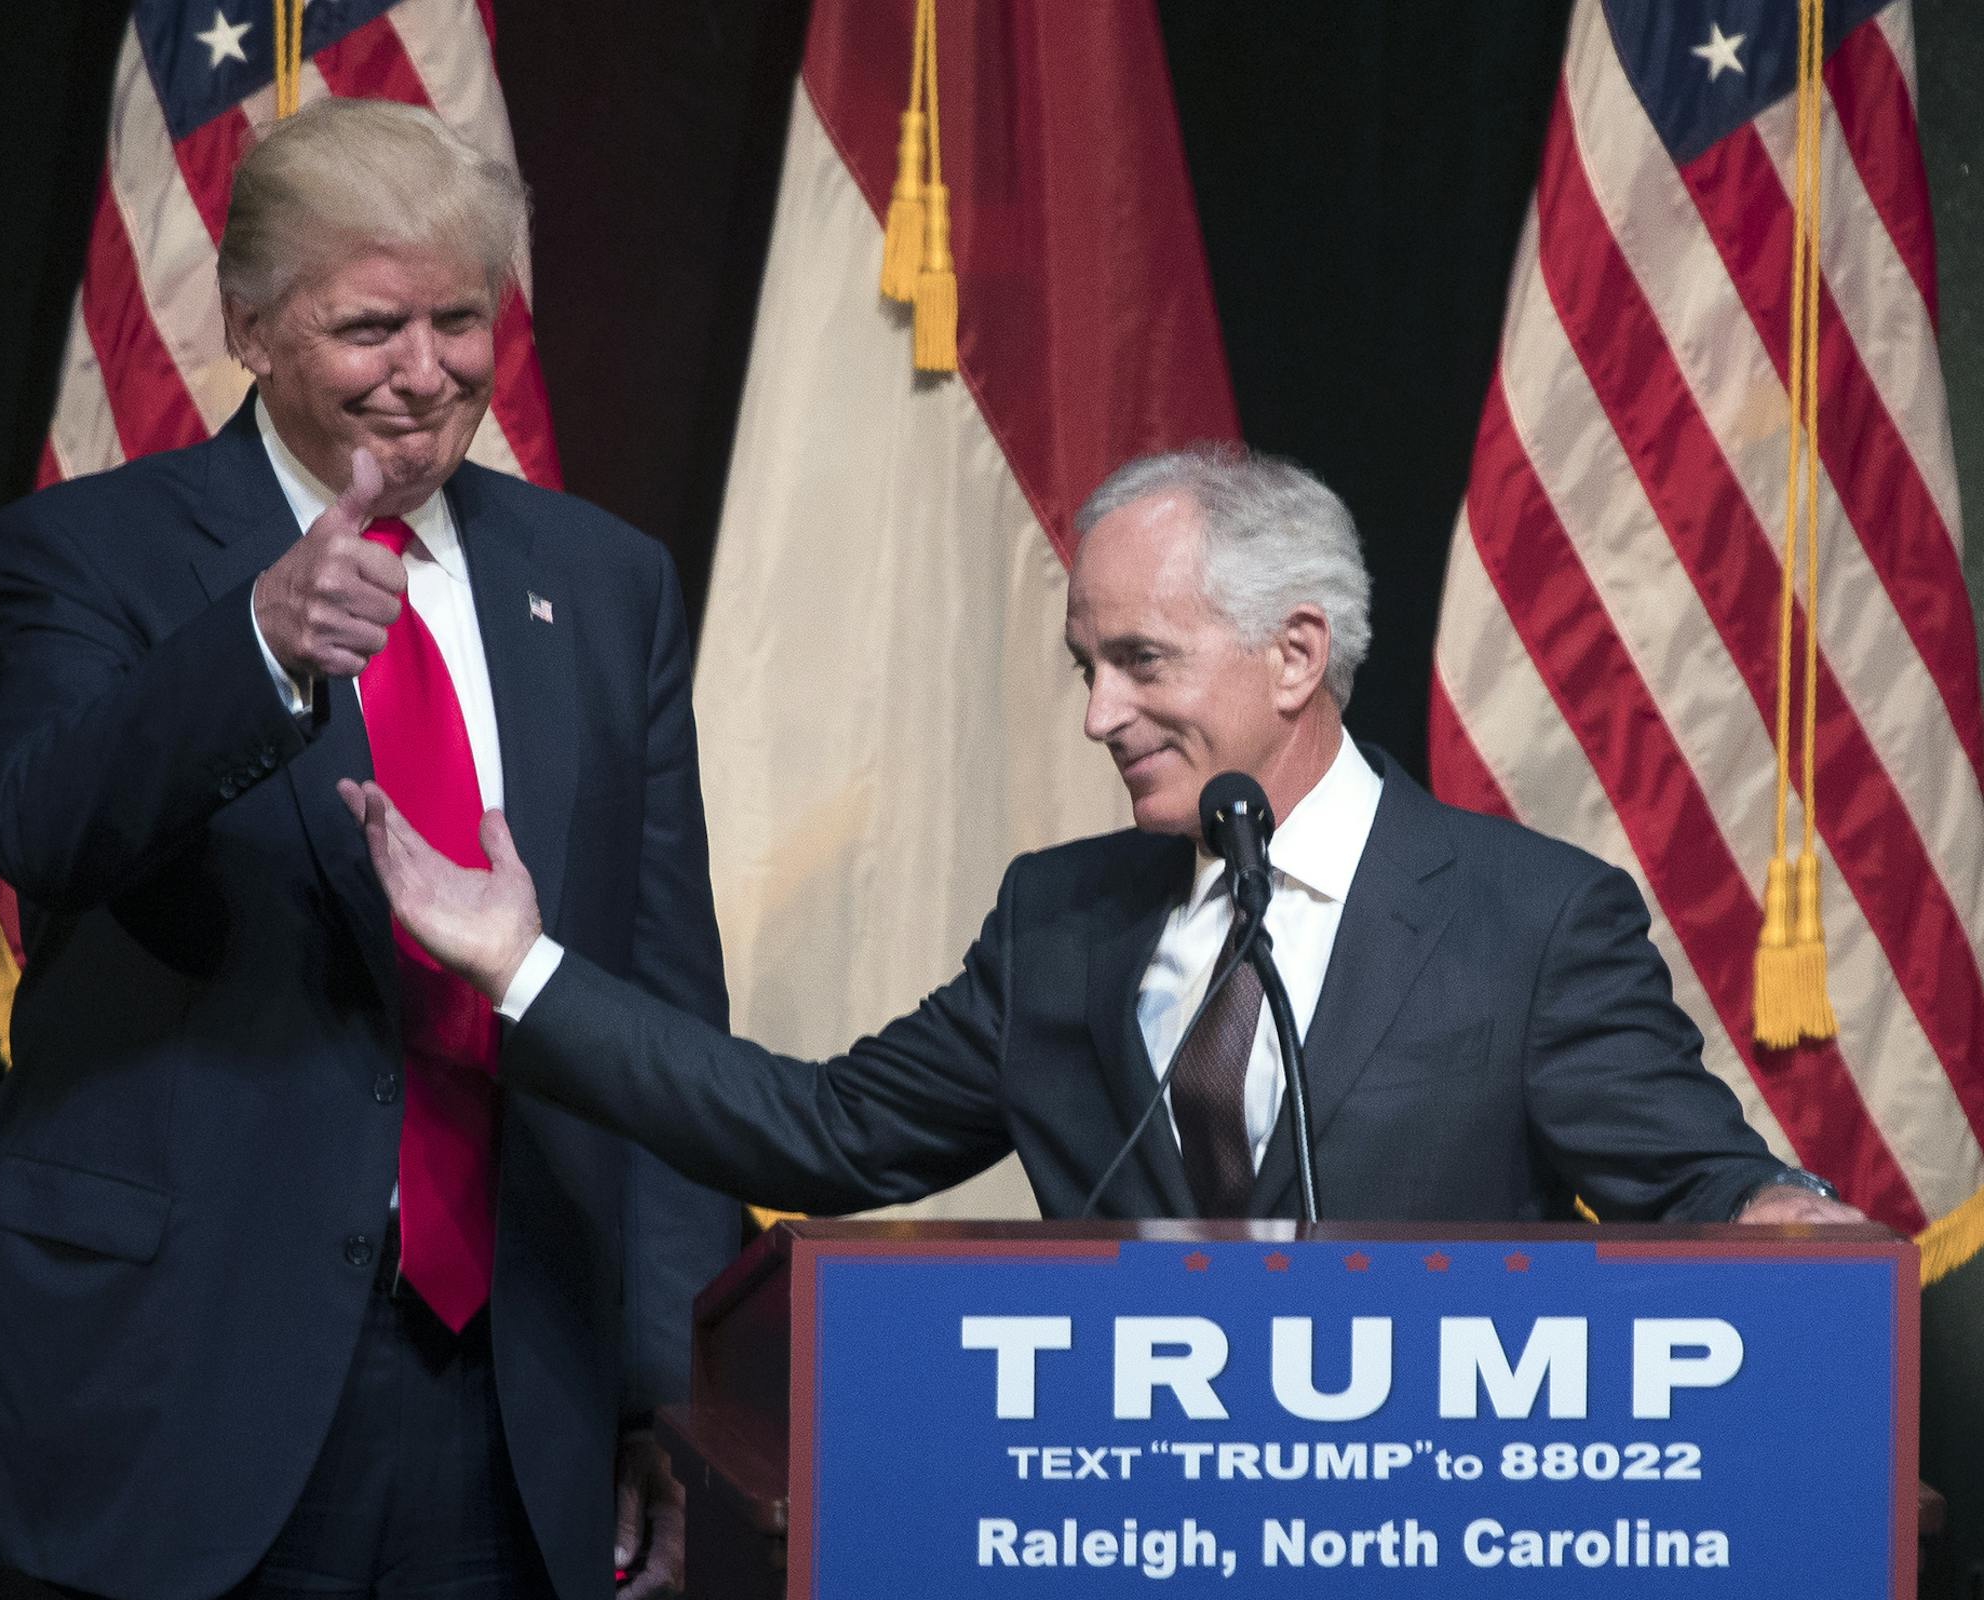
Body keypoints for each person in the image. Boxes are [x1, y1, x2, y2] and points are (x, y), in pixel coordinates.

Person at [0, 99, 738, 1600]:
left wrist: (663, 1394)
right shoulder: (88, 551)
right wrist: (252, 647)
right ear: (251, 329)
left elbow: (653, 986)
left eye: (463, 320)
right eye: (368, 325)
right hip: (159, 1404)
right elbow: (43, 820)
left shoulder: (602, 580)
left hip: (498, 1431)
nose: (426, 370)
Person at [342, 445, 1861, 1232]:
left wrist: (1778, 1214)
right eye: (1087, 666)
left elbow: (1695, 1179)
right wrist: (524, 966)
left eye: (1141, 661)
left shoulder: (1530, 923)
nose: (1098, 715)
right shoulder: (1062, 921)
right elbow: (816, 1134)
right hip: (1111, 1587)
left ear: (1293, 654)